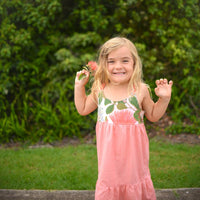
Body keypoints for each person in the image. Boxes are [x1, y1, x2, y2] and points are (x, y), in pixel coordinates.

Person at [74, 37, 173, 200]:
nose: (118, 66)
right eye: (111, 61)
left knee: (133, 184)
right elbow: (83, 109)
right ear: (104, 65)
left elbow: (154, 115)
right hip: (109, 164)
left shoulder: (140, 90)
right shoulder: (100, 89)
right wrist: (79, 87)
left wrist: (164, 99)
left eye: (125, 60)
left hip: (134, 163)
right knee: (110, 186)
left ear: (134, 63)